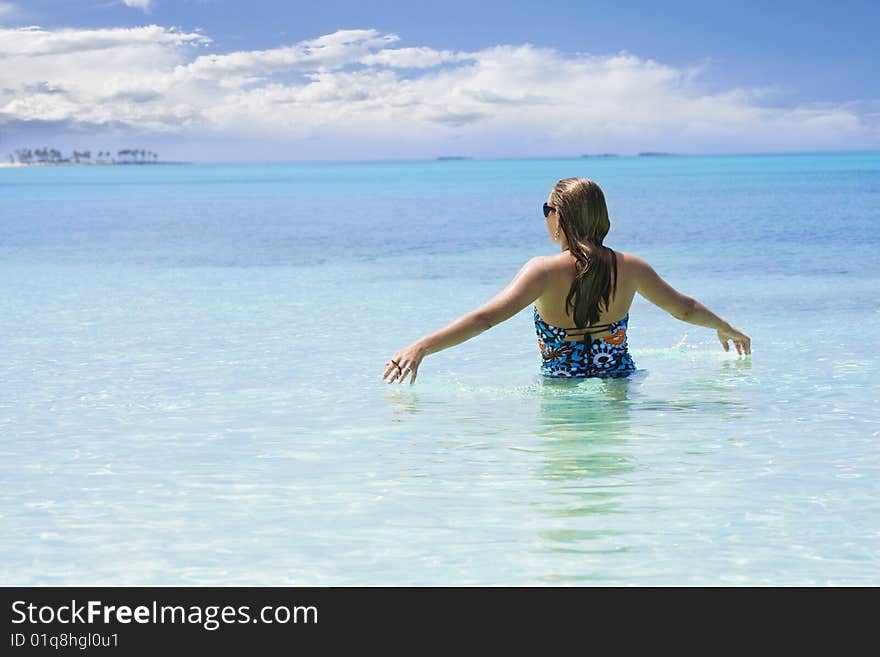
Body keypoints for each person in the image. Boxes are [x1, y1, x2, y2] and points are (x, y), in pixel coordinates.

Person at [381, 177, 750, 384]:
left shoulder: (542, 271)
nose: (544, 218)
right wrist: (725, 327)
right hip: (620, 388)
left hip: (560, 395)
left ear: (561, 217)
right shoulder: (631, 267)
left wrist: (423, 346)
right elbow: (684, 309)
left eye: (547, 210)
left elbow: (486, 319)